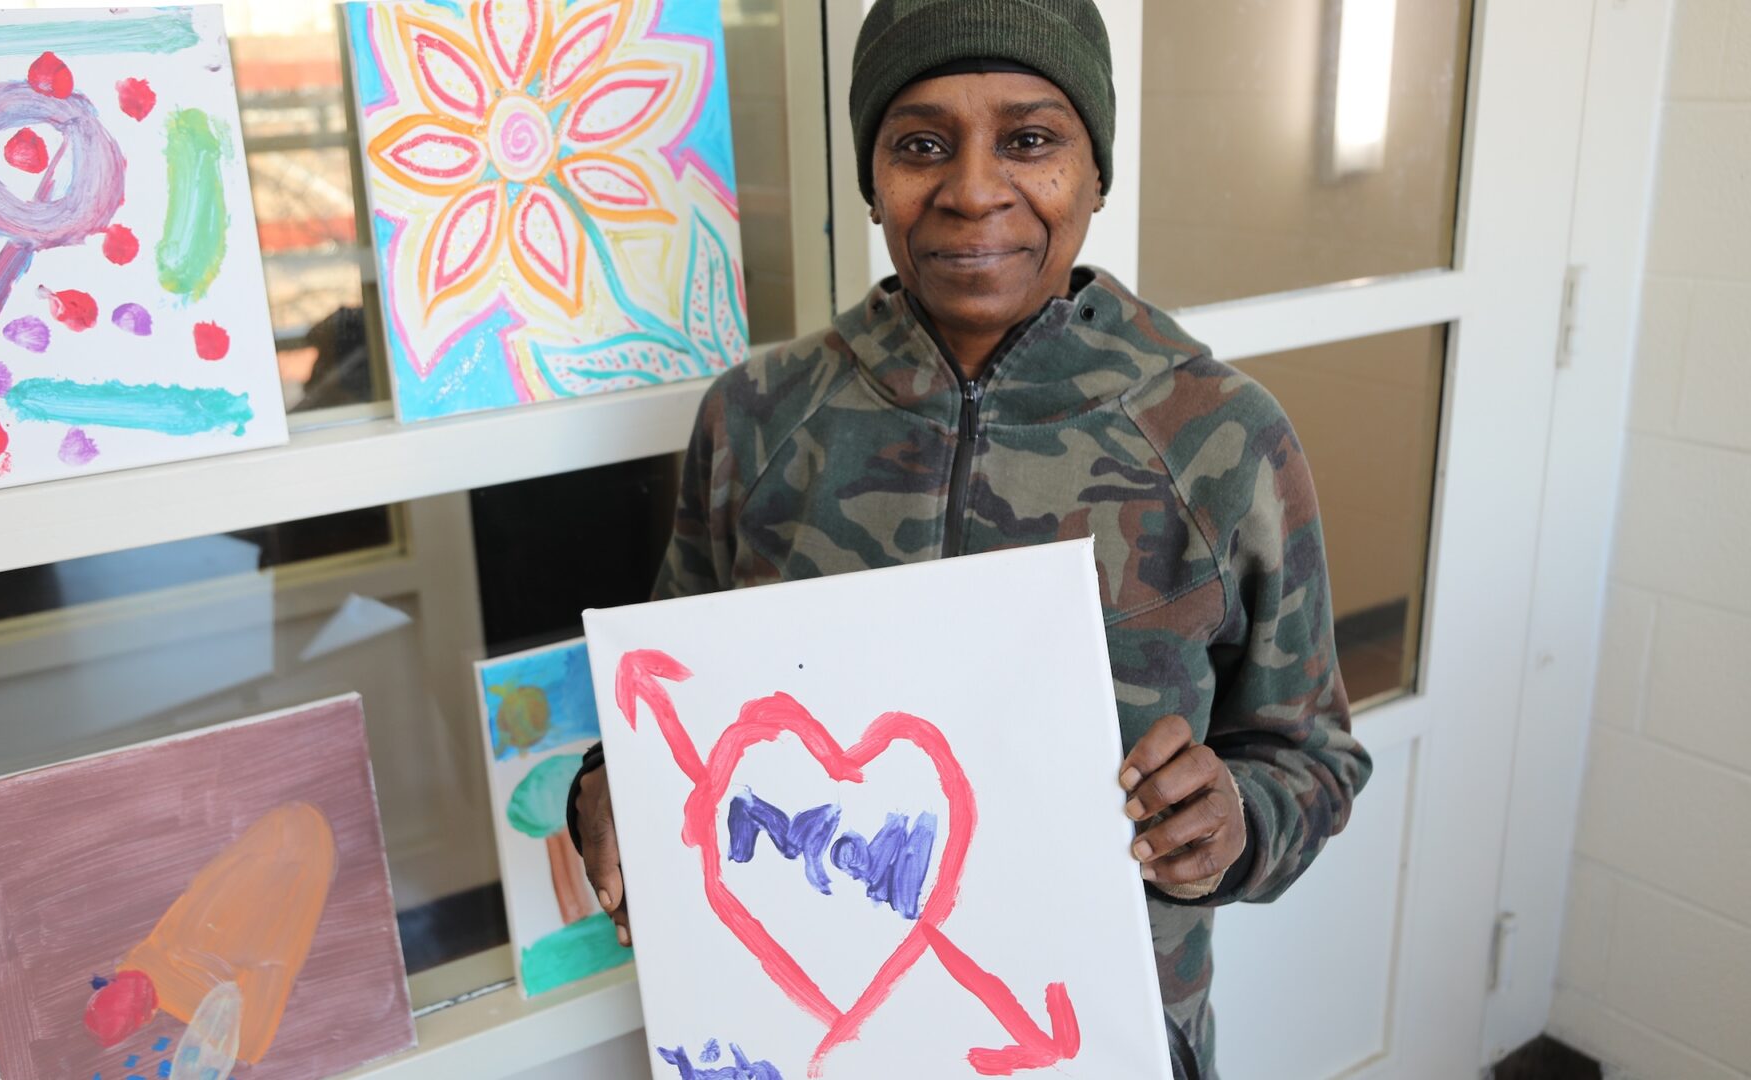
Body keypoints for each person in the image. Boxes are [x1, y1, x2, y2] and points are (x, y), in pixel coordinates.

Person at [566, 1, 1372, 1075]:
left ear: (1095, 172)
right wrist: (608, 783)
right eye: (920, 145)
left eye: (1031, 139)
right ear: (871, 178)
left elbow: (1314, 753)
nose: (974, 189)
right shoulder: (757, 422)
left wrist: (1239, 819)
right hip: (816, 1040)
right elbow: (665, 704)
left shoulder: (1219, 439)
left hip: (1106, 1040)